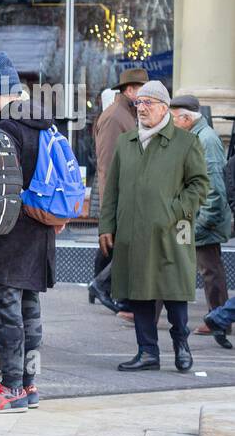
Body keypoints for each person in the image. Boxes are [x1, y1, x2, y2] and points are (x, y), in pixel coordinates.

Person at [99, 80, 210, 372]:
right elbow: (112, 189)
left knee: (173, 291)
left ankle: (181, 345)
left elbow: (199, 185)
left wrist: (174, 210)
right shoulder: (127, 142)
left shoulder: (186, 143)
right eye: (139, 103)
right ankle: (147, 352)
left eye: (149, 103)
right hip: (132, 232)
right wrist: (106, 226)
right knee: (139, 293)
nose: (142, 109)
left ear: (164, 108)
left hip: (172, 232)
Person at [0, 54, 56, 413]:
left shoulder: (6, 128)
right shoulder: (46, 124)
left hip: (8, 234)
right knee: (30, 310)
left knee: (5, 311)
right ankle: (29, 384)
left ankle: (10, 387)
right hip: (39, 233)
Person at [89, 68, 149, 313]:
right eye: (143, 90)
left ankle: (99, 287)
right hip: (118, 194)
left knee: (113, 244)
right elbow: (107, 165)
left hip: (124, 193)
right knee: (123, 244)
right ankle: (102, 285)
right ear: (130, 90)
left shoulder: (127, 113)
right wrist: (108, 207)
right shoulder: (116, 117)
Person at [170, 96, 232, 331]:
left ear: (186, 118)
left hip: (203, 217)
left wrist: (205, 220)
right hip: (190, 215)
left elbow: (215, 184)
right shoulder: (194, 136)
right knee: (173, 262)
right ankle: (147, 312)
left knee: (210, 269)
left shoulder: (206, 139)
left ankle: (219, 319)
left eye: (174, 118)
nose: (172, 122)